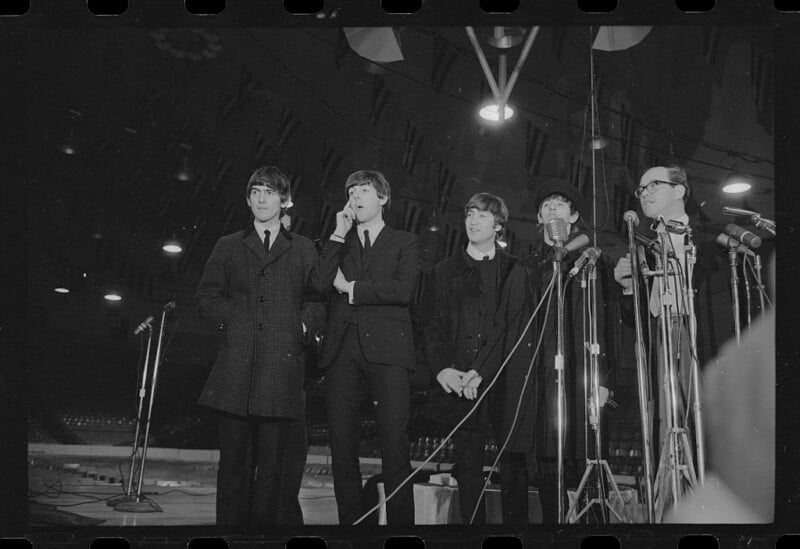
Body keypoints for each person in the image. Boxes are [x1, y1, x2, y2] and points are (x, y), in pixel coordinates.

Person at [463, 181, 612, 524]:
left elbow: (603, 326)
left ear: (574, 216)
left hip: (564, 379)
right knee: (514, 463)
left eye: (560, 206)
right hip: (522, 381)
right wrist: (480, 369)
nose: (552, 211)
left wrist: (602, 379)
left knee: (555, 466)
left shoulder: (589, 264)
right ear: (538, 217)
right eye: (546, 206)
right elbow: (504, 325)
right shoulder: (524, 266)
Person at [196, 166, 325, 528]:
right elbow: (206, 296)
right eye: (256, 192)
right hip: (235, 371)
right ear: (248, 199)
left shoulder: (303, 249)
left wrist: (302, 326)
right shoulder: (227, 245)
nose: (262, 198)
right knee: (233, 468)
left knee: (273, 472)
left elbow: (317, 301)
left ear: (284, 201)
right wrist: (233, 320)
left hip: (280, 372)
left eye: (269, 192)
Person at [309, 170, 421, 525]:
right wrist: (338, 234)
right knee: (342, 448)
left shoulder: (406, 241)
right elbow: (320, 284)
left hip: (388, 353)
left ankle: (402, 532)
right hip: (342, 351)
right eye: (351, 191)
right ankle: (351, 530)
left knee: (394, 447)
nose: (356, 197)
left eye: (365, 191)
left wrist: (353, 289)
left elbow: (402, 290)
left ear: (384, 198)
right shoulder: (340, 241)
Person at [612, 165, 733, 456]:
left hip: (700, 339)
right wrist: (628, 287)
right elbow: (634, 320)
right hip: (660, 337)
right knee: (666, 424)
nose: (644, 194)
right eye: (641, 190)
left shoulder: (711, 242)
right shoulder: (642, 246)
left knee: (704, 423)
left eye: (653, 185)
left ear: (679, 190)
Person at [423, 192, 517, 524]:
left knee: (515, 470)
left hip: (503, 382)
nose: (473, 221)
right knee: (469, 470)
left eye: (482, 215)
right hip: (461, 385)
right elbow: (431, 328)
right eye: (469, 214)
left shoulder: (515, 270)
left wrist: (484, 370)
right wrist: (444, 370)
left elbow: (513, 330)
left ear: (499, 224)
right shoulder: (444, 271)